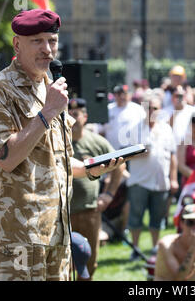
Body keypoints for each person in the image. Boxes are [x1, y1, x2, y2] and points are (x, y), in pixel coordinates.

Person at [0, 9, 124, 281]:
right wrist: (46, 113)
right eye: (37, 41)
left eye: (52, 41)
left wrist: (92, 168)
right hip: (20, 233)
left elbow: (58, 160)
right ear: (17, 44)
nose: (47, 49)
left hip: (58, 227)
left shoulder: (50, 87)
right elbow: (5, 157)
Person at [68, 98, 125, 280]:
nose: (72, 117)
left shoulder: (97, 142)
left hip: (89, 212)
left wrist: (108, 194)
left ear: (85, 117)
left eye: (76, 114)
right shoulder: (59, 141)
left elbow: (119, 166)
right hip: (62, 213)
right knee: (62, 263)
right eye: (68, 113)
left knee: (88, 261)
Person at [126, 95, 179, 260]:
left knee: (157, 217)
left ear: (160, 110)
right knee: (136, 216)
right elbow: (125, 155)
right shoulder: (134, 128)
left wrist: (174, 178)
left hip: (160, 181)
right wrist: (140, 153)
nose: (151, 111)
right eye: (148, 107)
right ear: (143, 108)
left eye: (155, 108)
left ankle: (155, 248)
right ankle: (135, 248)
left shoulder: (166, 129)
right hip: (139, 180)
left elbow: (172, 155)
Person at [154, 204, 195, 281]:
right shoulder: (167, 243)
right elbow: (179, 276)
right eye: (190, 222)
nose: (194, 227)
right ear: (181, 223)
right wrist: (194, 245)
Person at [99, 84, 146, 150]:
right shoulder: (108, 109)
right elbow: (100, 130)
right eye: (119, 94)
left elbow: (145, 127)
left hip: (133, 152)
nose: (122, 96)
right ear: (115, 95)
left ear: (130, 94)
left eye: (125, 94)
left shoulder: (138, 109)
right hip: (112, 151)